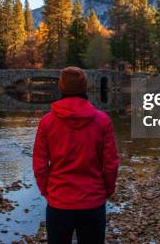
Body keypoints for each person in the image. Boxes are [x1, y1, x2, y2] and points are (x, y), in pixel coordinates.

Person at [33, 67, 120, 244]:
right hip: (92, 203)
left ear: (61, 88)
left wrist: (47, 191)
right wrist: (106, 191)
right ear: (85, 88)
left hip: (59, 202)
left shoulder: (47, 122)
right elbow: (111, 164)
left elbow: (40, 165)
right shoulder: (102, 120)